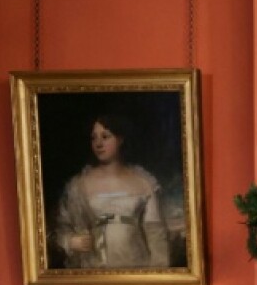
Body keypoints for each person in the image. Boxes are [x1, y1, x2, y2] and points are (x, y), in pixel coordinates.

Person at [53, 114, 171, 269]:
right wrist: (71, 241)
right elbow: (61, 230)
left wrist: (159, 273)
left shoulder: (143, 183)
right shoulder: (78, 186)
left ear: (120, 139)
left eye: (105, 137)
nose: (98, 144)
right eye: (94, 138)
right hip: (95, 269)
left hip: (136, 268)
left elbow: (157, 237)